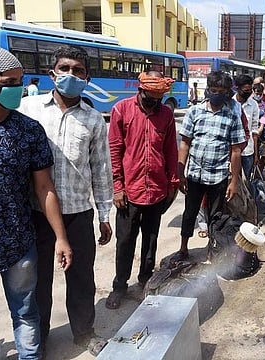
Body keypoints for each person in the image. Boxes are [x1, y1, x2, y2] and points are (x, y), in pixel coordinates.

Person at [19, 45, 113, 356]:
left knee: (82, 278)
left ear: (87, 78)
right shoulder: (29, 109)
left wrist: (103, 213)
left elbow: (100, 168)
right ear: (52, 73)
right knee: (38, 280)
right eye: (65, 68)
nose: (70, 75)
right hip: (36, 213)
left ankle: (85, 333)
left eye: (78, 71)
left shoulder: (94, 119)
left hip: (78, 212)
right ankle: (39, 337)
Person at [0, 47, 71, 360]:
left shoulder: (28, 130)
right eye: (9, 82)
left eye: (20, 81)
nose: (17, 87)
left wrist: (61, 237)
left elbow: (44, 187)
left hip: (17, 238)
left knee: (26, 310)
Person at [106, 70, 179, 310]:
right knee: (125, 241)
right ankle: (119, 286)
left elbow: (170, 151)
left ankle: (145, 280)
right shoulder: (121, 110)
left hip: (157, 190)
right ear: (141, 90)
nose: (155, 102)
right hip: (129, 192)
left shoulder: (166, 115)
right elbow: (115, 151)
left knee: (151, 240)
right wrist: (118, 187)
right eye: (152, 96)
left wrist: (172, 183)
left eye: (160, 98)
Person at [170, 70, 246, 265]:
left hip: (219, 177)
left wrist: (234, 181)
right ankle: (183, 248)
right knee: (190, 213)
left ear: (227, 92)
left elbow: (236, 151)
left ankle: (213, 250)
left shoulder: (232, 116)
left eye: (221, 91)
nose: (217, 94)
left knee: (216, 216)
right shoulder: (195, 112)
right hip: (194, 175)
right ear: (207, 90)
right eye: (213, 90)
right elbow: (185, 143)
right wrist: (181, 173)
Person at [233, 74, 259, 182]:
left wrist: (256, 154)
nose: (248, 93)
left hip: (248, 151)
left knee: (245, 181)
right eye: (245, 90)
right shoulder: (230, 103)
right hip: (232, 151)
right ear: (237, 88)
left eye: (250, 90)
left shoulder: (253, 105)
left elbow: (254, 130)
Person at [252, 82, 265, 178]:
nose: (258, 95)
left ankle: (259, 173)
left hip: (263, 133)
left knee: (263, 155)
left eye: (260, 93)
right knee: (253, 155)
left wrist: (261, 127)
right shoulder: (250, 103)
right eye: (256, 93)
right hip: (251, 132)